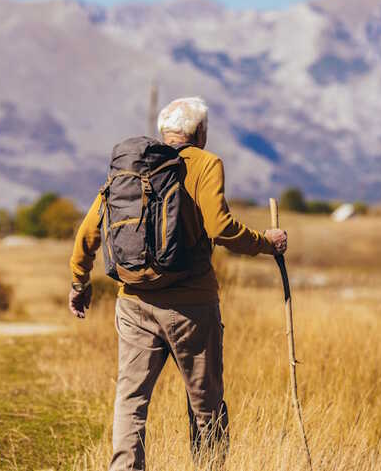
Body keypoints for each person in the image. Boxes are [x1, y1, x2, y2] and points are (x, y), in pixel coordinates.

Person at [68, 96, 287, 471]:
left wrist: (79, 282)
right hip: (191, 305)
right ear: (200, 132)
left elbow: (90, 230)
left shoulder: (132, 167)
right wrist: (266, 243)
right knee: (206, 403)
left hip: (134, 302)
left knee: (131, 399)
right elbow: (220, 227)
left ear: (163, 132)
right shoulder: (204, 163)